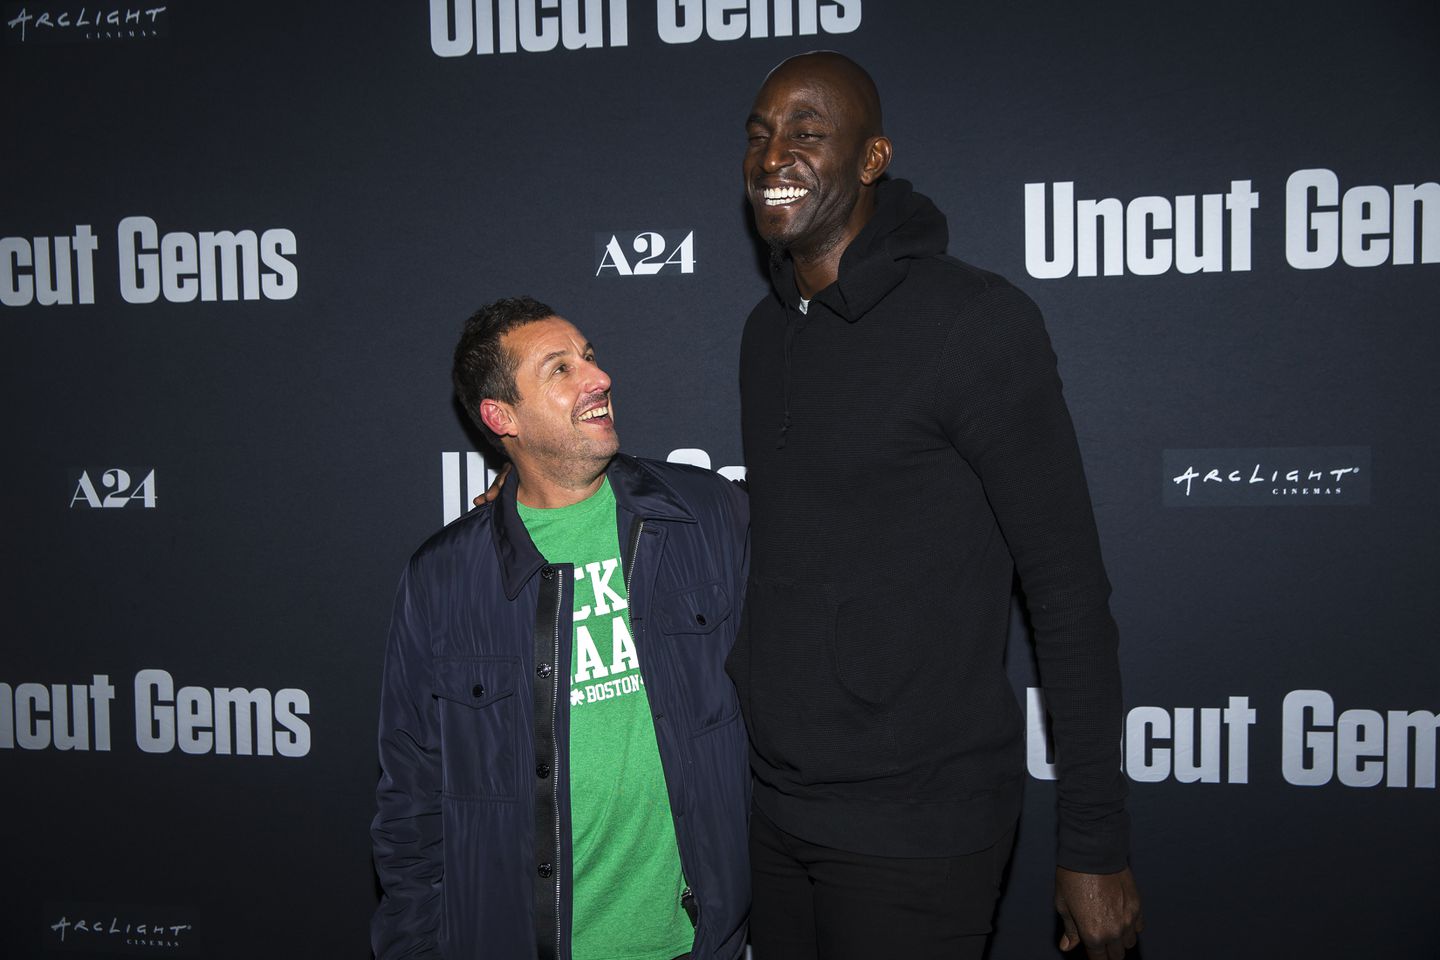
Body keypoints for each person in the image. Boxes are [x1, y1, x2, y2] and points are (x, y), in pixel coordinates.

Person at [726, 52, 1143, 959]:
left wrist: (1095, 843)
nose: (772, 156)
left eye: (806, 130)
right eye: (758, 135)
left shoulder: (974, 323)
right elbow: (795, 520)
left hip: (919, 832)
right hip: (771, 814)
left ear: (871, 159)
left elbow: (1067, 593)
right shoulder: (766, 336)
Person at [371, 296, 751, 960]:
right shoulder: (444, 579)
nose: (598, 379)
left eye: (591, 358)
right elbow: (411, 803)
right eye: (561, 369)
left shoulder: (705, 515)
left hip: (698, 942)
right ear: (501, 417)